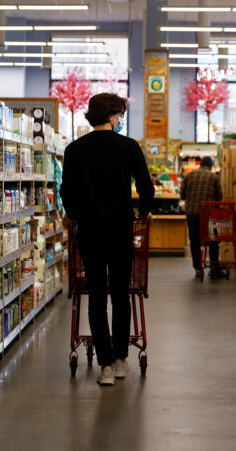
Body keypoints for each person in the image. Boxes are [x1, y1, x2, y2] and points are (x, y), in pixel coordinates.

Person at [60, 93, 155, 386]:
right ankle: (121, 358)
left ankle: (104, 366)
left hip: (90, 232)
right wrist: (143, 212)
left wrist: (75, 214)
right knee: (121, 294)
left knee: (97, 297)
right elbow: (146, 186)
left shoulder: (75, 149)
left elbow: (67, 191)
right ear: (113, 116)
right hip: (121, 231)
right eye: (121, 114)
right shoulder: (128, 147)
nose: (121, 119)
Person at [181, 156, 224, 280]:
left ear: (201, 165)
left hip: (192, 214)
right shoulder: (214, 177)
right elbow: (219, 196)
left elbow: (182, 194)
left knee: (194, 242)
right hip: (208, 215)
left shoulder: (189, 176)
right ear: (210, 166)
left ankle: (198, 269)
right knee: (213, 240)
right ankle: (214, 268)